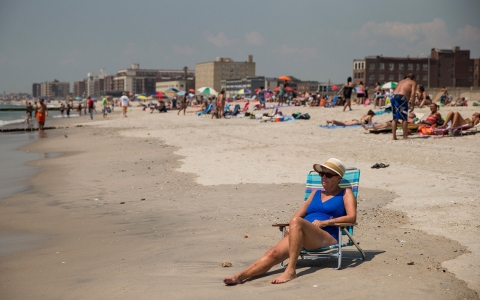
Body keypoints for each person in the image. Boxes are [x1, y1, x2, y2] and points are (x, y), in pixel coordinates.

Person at [223, 158, 356, 285]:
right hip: (302, 232)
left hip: (326, 236)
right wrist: (292, 227)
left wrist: (325, 223)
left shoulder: (345, 193)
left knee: (296, 221)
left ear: (338, 177)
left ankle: (291, 270)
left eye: (328, 175)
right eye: (322, 174)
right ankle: (240, 277)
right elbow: (298, 215)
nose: (323, 177)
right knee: (272, 253)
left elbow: (352, 217)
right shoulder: (315, 193)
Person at [391, 73, 417, 140]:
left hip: (393, 97)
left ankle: (394, 136)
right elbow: (413, 94)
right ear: (413, 78)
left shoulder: (401, 81)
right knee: (404, 118)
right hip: (401, 98)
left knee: (394, 118)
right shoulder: (413, 82)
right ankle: (405, 136)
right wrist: (413, 105)